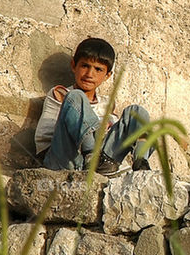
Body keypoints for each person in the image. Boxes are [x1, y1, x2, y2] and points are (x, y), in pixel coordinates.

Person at [35, 37, 153, 174]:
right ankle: (91, 155)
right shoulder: (61, 93)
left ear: (107, 75)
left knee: (137, 111)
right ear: (74, 66)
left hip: (100, 162)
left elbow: (112, 133)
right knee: (77, 96)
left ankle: (141, 162)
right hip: (64, 158)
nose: (90, 74)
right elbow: (48, 140)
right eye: (85, 66)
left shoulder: (106, 104)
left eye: (98, 69)